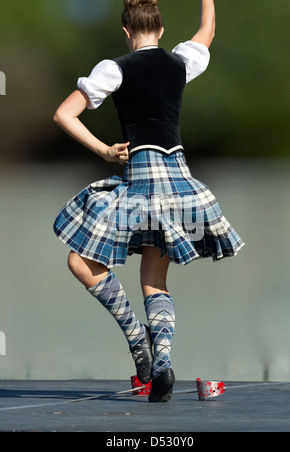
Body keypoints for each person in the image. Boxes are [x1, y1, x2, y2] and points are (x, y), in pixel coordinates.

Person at [53, 0, 244, 403]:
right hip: (179, 181)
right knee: (155, 282)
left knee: (78, 261)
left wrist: (105, 151)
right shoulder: (180, 63)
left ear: (126, 31)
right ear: (160, 28)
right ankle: (161, 363)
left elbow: (64, 115)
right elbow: (206, 31)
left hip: (140, 180)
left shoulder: (115, 68)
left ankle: (138, 339)